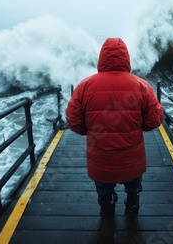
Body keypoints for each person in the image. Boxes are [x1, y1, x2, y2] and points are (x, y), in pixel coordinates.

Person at [66, 37, 163, 218]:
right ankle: (132, 205)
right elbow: (154, 120)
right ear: (126, 58)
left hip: (100, 158)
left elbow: (74, 121)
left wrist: (91, 130)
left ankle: (107, 209)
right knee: (133, 186)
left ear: (101, 58)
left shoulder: (84, 86)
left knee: (103, 189)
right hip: (131, 157)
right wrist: (136, 125)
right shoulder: (142, 86)